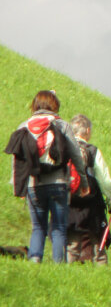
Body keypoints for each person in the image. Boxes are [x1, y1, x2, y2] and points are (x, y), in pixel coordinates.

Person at [5, 90, 87, 263]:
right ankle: (58, 267)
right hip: (58, 183)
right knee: (58, 228)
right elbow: (76, 155)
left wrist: (17, 186)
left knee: (37, 228)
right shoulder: (62, 125)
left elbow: (17, 160)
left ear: (35, 105)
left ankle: (35, 262)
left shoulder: (23, 126)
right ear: (54, 104)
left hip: (33, 184)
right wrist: (84, 181)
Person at [66, 114, 111, 264]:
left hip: (69, 201)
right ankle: (103, 274)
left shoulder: (64, 149)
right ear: (87, 131)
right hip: (91, 203)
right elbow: (105, 181)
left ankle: (67, 272)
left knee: (73, 244)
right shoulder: (92, 151)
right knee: (98, 244)